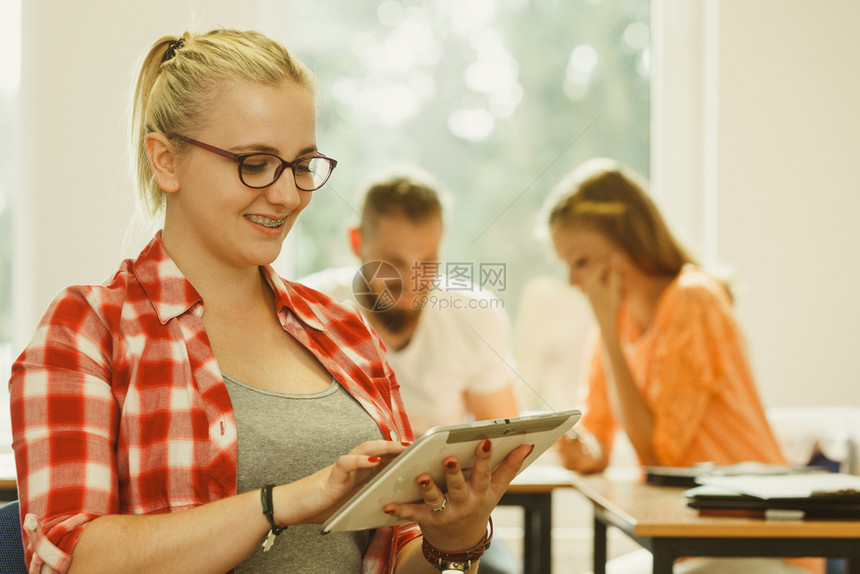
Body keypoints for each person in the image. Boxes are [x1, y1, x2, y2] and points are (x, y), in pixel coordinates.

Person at [8, 29, 533, 574]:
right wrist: (278, 503)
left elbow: (396, 556)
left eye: (302, 165)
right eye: (254, 163)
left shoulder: (345, 333)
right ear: (166, 161)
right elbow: (69, 559)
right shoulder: (88, 331)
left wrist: (453, 542)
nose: (287, 195)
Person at [546, 158, 822, 574]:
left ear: (626, 247)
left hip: (760, 542)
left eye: (580, 261)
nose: (572, 281)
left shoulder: (693, 300)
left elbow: (662, 457)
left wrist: (606, 327)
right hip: (694, 541)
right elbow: (598, 437)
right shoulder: (615, 322)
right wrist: (580, 448)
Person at [301, 167, 520, 437]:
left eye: (427, 262)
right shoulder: (308, 309)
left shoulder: (476, 314)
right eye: (393, 262)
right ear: (357, 243)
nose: (411, 281)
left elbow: (504, 441)